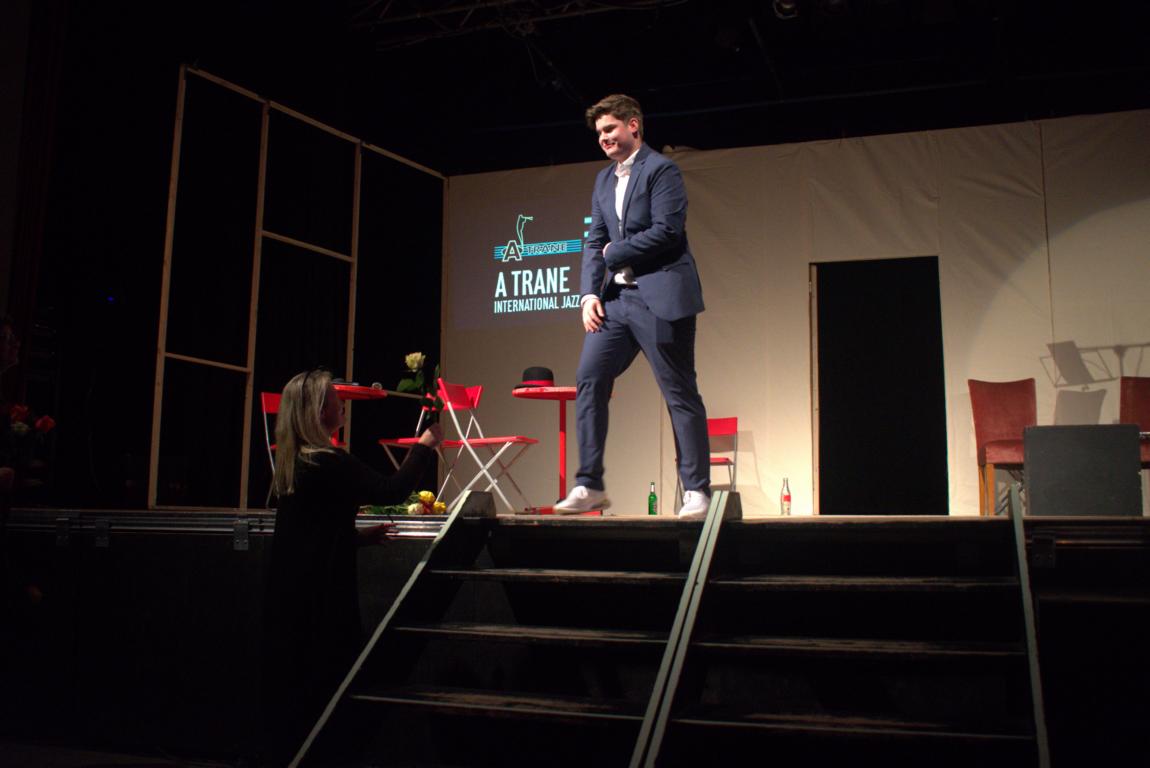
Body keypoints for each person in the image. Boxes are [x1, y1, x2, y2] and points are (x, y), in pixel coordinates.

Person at [261, 368, 442, 763]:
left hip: (290, 597)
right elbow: (392, 490)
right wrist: (424, 446)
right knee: (328, 688)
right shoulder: (329, 461)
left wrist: (359, 537)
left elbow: (311, 533)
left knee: (297, 695)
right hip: (322, 600)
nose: (341, 402)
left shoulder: (296, 463)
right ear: (318, 411)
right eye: (333, 397)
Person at [554, 94, 711, 519]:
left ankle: (696, 490)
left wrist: (614, 253)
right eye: (599, 133)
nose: (603, 138)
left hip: (660, 297)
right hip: (617, 301)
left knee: (679, 392)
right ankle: (590, 484)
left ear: (633, 125)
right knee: (589, 377)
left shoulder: (662, 170)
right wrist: (588, 294)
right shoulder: (603, 180)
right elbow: (594, 241)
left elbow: (667, 231)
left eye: (610, 128)